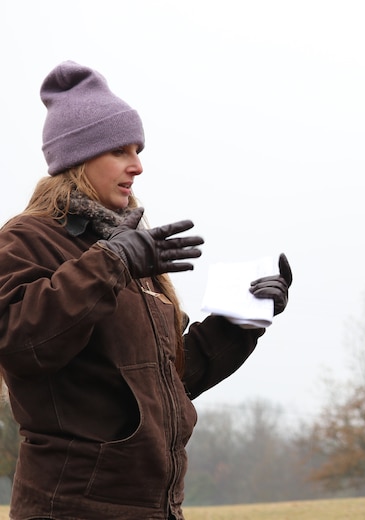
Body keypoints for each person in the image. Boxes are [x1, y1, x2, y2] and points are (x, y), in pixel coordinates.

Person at [0, 61, 293, 520]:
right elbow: (18, 342)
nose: (137, 166)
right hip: (71, 509)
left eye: (137, 149)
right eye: (120, 150)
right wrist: (113, 263)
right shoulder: (27, 239)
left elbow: (168, 382)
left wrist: (239, 322)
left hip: (155, 509)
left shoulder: (131, 247)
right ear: (77, 158)